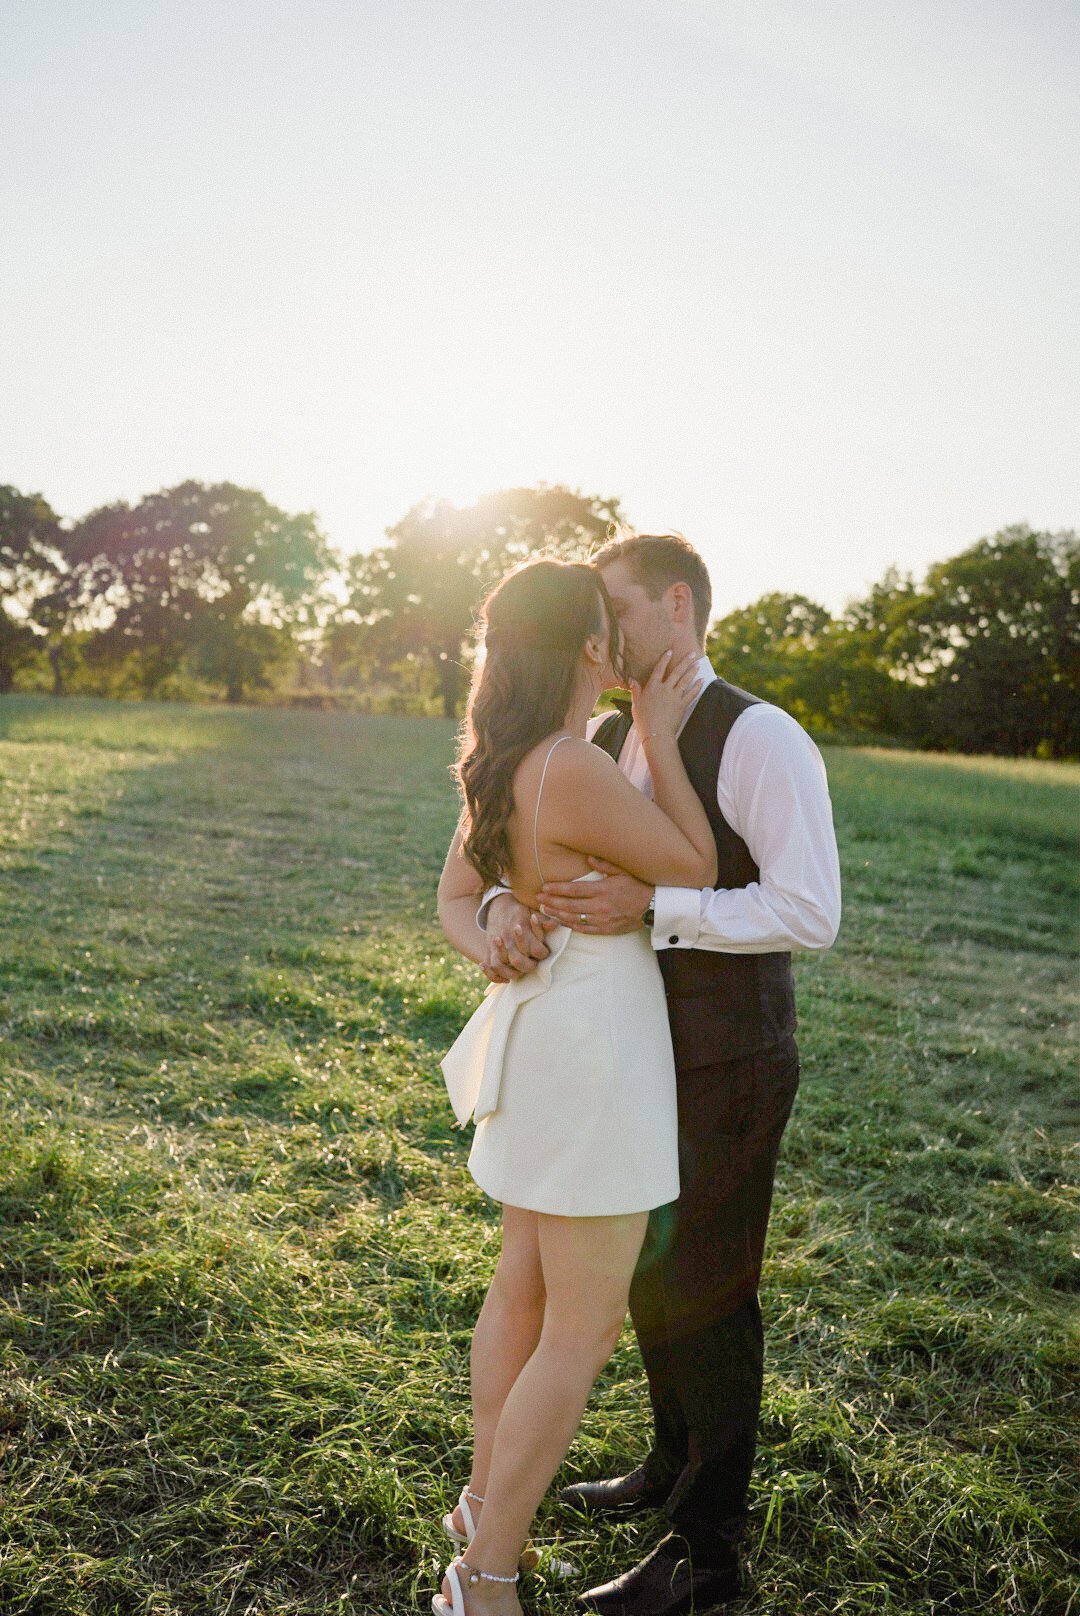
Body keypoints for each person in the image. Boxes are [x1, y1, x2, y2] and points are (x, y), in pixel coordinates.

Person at [479, 530, 842, 1616]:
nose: (603, 629)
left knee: (712, 1291)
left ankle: (706, 1550)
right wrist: (499, 908)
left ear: (676, 606)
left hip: (729, 1056)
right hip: (623, 1059)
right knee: (645, 1271)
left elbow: (809, 908)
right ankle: (665, 1460)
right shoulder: (597, 731)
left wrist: (662, 908)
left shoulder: (761, 736)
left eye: (619, 607)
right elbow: (511, 845)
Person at [434, 556, 719, 1616]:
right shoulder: (572, 761)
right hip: (593, 1044)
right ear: (593, 644)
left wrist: (497, 916)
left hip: (545, 1036)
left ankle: (480, 1501)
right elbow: (693, 857)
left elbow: (455, 897)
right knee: (586, 1321)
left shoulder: (501, 757)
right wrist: (656, 727)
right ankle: (486, 1572)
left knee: (526, 1281)